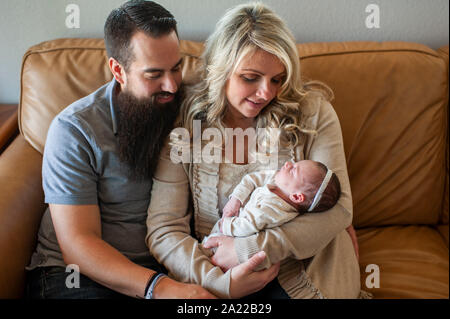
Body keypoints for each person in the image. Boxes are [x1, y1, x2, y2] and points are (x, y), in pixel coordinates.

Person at [25, 0, 261, 299]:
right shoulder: (74, 130)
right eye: (153, 75)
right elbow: (78, 244)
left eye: (176, 68)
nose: (172, 86)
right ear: (118, 70)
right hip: (82, 275)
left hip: (171, 265)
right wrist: (160, 288)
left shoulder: (193, 107)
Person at [147, 2, 366, 299]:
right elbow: (164, 229)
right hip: (216, 272)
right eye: (250, 77)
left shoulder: (313, 113)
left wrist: (250, 249)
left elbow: (339, 209)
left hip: (307, 271)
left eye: (277, 79)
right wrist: (219, 282)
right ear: (219, 70)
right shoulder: (185, 122)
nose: (266, 93)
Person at [203, 160, 341, 244]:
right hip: (230, 224)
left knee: (206, 251)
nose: (287, 164)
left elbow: (247, 225)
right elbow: (251, 179)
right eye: (294, 164)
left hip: (229, 236)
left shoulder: (273, 210)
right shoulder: (279, 182)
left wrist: (225, 224)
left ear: (297, 197)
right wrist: (236, 199)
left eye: (293, 170)